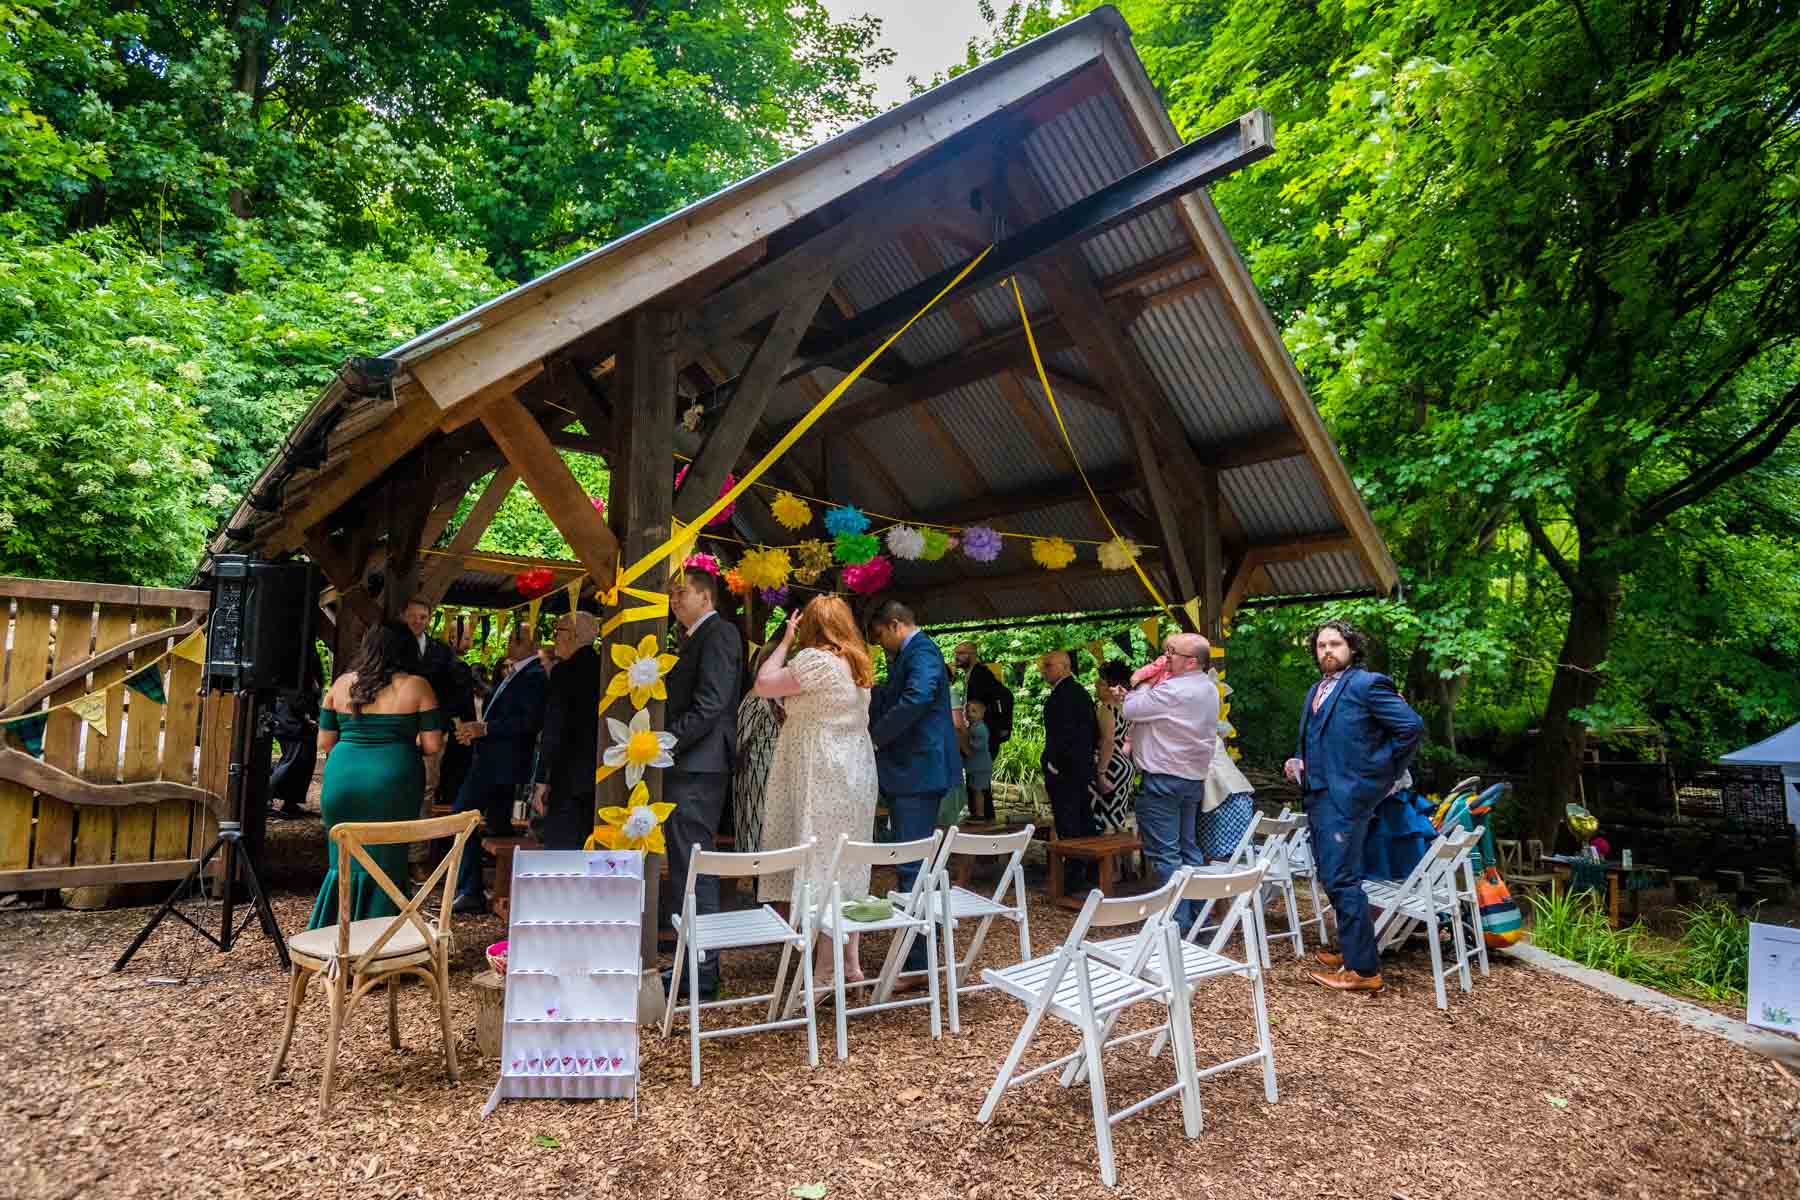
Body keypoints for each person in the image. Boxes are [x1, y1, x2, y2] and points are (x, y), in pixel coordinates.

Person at [1283, 618, 1424, 994]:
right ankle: (1351, 949)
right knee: (1332, 874)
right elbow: (1317, 737)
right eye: (1321, 645)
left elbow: (1409, 727)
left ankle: (1363, 970)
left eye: (1335, 644)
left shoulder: (1367, 684)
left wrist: (1380, 774)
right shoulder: (1317, 688)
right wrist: (1299, 759)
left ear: (1352, 649)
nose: (1327, 650)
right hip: (1318, 793)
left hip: (1348, 796)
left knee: (1342, 878)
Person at [754, 596, 881, 984]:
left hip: (821, 770)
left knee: (822, 863)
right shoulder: (856, 664)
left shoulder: (814, 660)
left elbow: (763, 683)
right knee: (847, 863)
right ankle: (850, 964)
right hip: (855, 772)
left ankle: (826, 968)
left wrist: (785, 641)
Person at [306, 622, 444, 930]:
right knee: (387, 857)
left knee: (342, 857)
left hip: (343, 779)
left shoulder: (341, 685)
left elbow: (325, 743)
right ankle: (382, 942)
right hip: (393, 780)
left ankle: (335, 935)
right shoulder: (417, 686)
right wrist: (399, 742)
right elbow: (432, 745)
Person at [662, 567, 745, 1001]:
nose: (674, 600)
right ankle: (690, 961)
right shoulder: (693, 638)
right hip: (692, 763)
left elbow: (711, 704)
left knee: (693, 863)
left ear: (706, 598)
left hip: (699, 764)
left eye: (682, 593)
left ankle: (703, 970)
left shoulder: (719, 634)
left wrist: (666, 740)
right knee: (685, 863)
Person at [867, 599, 960, 980]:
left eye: (880, 637)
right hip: (915, 769)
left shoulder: (922, 651)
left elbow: (918, 697)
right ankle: (922, 949)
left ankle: (920, 962)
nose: (880, 644)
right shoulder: (913, 653)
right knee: (916, 863)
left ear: (894, 626)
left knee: (912, 864)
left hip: (918, 770)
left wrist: (877, 737)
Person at [1105, 633, 1219, 929]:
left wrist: (1143, 680)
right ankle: (1197, 919)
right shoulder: (1207, 687)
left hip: (1162, 781)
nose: (1166, 657)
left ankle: (1175, 925)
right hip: (1191, 780)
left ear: (1192, 661)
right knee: (1188, 849)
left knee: (1166, 855)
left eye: (1173, 652)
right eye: (1166, 651)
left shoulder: (1174, 690)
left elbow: (1132, 709)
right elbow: (1151, 712)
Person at [448, 620, 548, 914]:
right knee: (497, 825)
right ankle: (490, 885)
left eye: (516, 637)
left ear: (530, 643)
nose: (509, 641)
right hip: (493, 760)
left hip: (502, 764)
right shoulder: (514, 672)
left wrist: (486, 729)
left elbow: (529, 723)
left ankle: (470, 889)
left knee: (460, 816)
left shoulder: (534, 676)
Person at [530, 611, 601, 850]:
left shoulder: (564, 671)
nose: (554, 639)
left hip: (567, 777)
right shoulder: (606, 667)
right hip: (597, 778)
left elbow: (554, 727)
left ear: (574, 635)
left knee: (562, 851)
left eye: (558, 632)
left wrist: (541, 779)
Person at [1040, 649, 1099, 862]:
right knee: (1082, 822)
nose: (1042, 671)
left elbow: (1067, 735)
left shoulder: (1067, 694)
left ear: (1065, 667)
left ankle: (1076, 874)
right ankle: (1088, 871)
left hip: (1067, 772)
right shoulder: (1078, 692)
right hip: (1078, 770)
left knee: (1071, 825)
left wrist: (1054, 765)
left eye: (1048, 666)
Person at [733, 641, 786, 855]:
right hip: (759, 773)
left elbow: (739, 737)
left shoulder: (769, 698)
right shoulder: (760, 698)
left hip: (769, 774)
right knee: (761, 831)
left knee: (764, 831)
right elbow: (740, 738)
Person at [269, 645, 324, 818]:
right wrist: (306, 717)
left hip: (298, 719)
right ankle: (266, 799)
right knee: (291, 761)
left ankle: (290, 803)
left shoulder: (305, 665)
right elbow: (291, 695)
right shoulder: (294, 665)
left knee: (303, 761)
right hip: (291, 719)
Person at [1090, 660, 1136, 833]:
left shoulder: (1106, 708)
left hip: (1110, 767)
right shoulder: (1124, 707)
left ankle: (1108, 860)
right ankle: (1121, 860)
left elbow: (1108, 741)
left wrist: (1101, 773)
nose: (1096, 685)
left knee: (1105, 825)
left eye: (1101, 683)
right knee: (1117, 821)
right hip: (1122, 765)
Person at [1199, 733, 1255, 861]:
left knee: (1220, 853)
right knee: (1238, 852)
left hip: (1222, 797)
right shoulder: (1211, 733)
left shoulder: (1201, 736)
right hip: (1236, 793)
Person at [954, 642, 1013, 757]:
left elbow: (1006, 696)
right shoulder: (973, 674)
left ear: (972, 655)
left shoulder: (980, 675)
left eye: (961, 653)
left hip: (984, 737)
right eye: (955, 653)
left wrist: (998, 726)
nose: (956, 657)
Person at [962, 699, 995, 823]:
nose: (969, 714)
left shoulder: (980, 728)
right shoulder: (973, 727)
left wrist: (965, 741)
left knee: (978, 791)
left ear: (982, 713)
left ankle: (980, 814)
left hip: (980, 767)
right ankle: (976, 812)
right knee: (975, 789)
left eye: (974, 711)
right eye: (967, 711)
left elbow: (977, 746)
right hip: (975, 767)